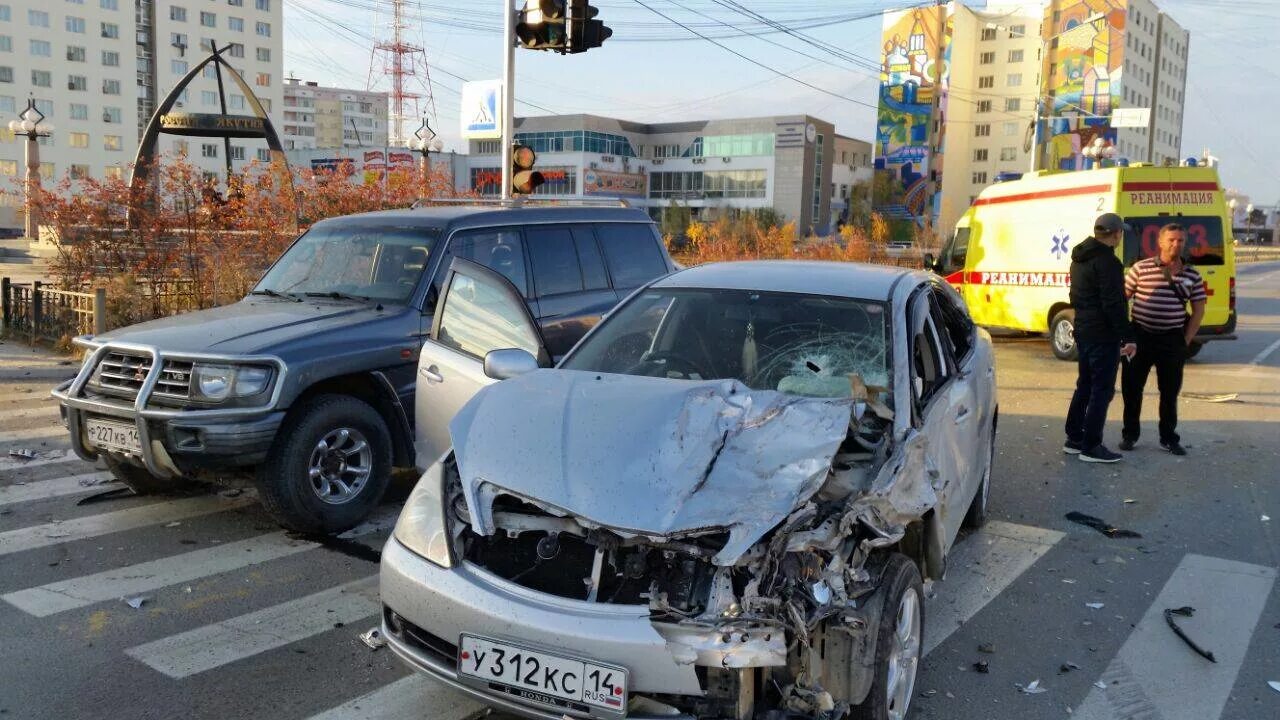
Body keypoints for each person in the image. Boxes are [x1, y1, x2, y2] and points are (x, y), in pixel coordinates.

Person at [1120, 223, 1206, 455]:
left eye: (1180, 240)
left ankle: (1168, 438)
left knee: (1169, 393)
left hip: (1172, 340)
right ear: (1160, 242)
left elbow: (1198, 309)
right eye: (1171, 240)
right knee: (1131, 389)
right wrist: (1124, 335)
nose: (1176, 244)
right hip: (1140, 337)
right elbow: (1121, 300)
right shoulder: (1140, 268)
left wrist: (1186, 340)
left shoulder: (1192, 275)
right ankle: (1130, 435)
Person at [1064, 213, 1137, 463]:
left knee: (1085, 384)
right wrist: (1127, 335)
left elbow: (1077, 296)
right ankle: (1091, 446)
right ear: (1115, 234)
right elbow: (1113, 303)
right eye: (1120, 233)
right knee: (1101, 390)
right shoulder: (1108, 262)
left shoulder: (1080, 258)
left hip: (1084, 329)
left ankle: (1074, 438)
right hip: (1102, 334)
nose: (1120, 237)